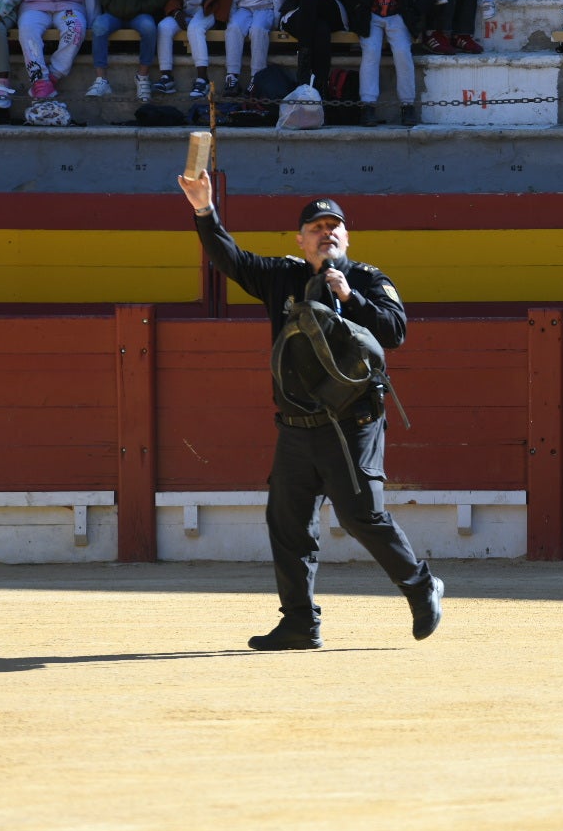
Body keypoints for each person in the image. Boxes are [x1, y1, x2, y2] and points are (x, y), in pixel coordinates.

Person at [175, 178, 447, 652]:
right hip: (297, 425)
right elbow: (231, 261)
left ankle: (421, 586)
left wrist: (348, 297)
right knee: (287, 520)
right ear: (300, 240)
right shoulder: (283, 275)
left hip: (353, 424)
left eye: (334, 227)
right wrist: (205, 212)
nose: (327, 233)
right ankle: (300, 622)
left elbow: (396, 332)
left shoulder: (367, 279)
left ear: (347, 238)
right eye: (317, 227)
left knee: (363, 516)